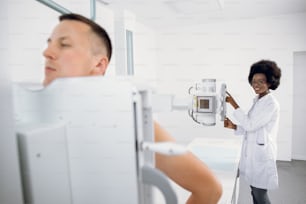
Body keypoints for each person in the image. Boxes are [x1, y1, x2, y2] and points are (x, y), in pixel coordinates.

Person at [43, 13, 222, 204]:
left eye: (64, 44)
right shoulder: (25, 118)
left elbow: (209, 189)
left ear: (99, 64)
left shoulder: (129, 122)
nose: (47, 52)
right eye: (50, 42)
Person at [224, 60, 281, 204]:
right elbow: (251, 126)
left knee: (260, 194)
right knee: (254, 191)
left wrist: (233, 103)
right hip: (254, 153)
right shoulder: (258, 100)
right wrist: (234, 126)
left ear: (270, 82)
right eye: (254, 81)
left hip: (262, 155)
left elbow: (250, 125)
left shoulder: (271, 104)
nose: (256, 84)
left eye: (261, 81)